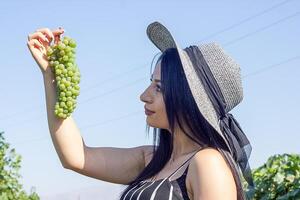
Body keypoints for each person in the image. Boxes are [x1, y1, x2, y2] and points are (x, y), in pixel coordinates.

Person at [27, 21, 254, 200]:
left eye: (159, 88)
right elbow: (76, 156)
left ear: (189, 99)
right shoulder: (151, 158)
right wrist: (51, 75)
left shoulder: (208, 163)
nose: (144, 95)